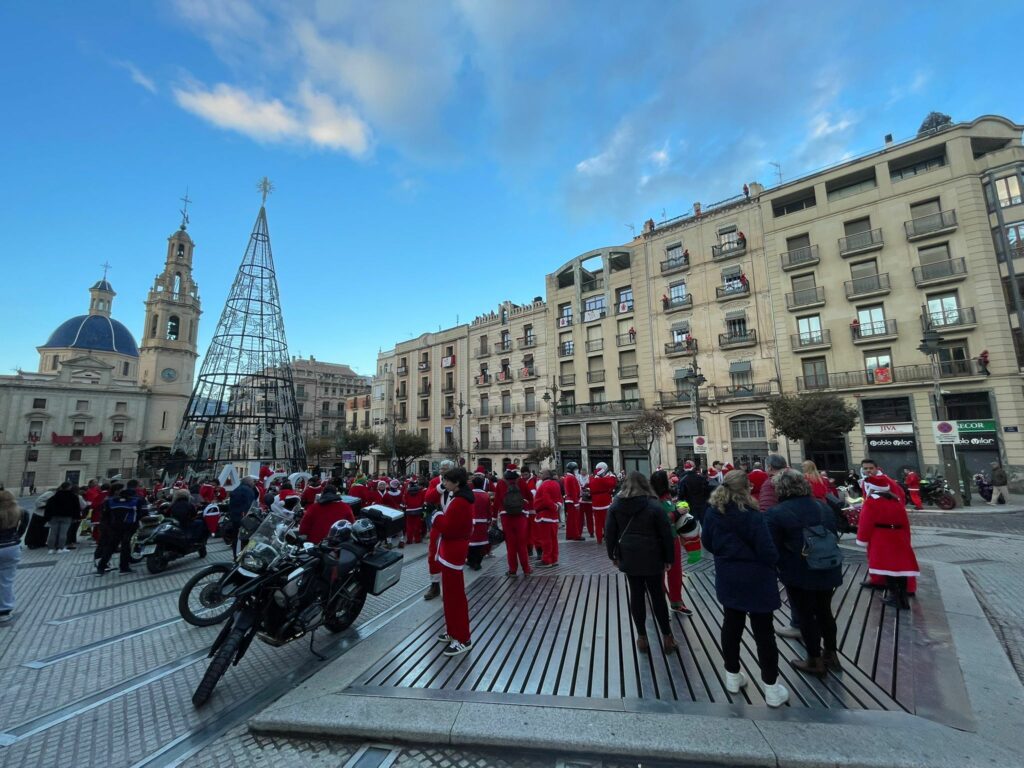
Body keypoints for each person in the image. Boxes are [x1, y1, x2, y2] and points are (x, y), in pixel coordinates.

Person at [701, 470, 789, 707]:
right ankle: (771, 688)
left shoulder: (712, 512)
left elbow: (707, 542)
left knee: (731, 626)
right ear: (745, 489)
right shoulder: (752, 515)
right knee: (764, 633)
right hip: (757, 577)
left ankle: (732, 676)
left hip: (728, 575)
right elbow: (767, 550)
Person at [767, 470, 843, 676]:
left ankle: (814, 660)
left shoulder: (776, 513)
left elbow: (772, 548)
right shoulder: (822, 507)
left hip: (800, 572)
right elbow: (833, 532)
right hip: (829, 566)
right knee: (825, 611)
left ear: (781, 489)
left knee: (806, 616)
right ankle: (831, 654)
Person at [605, 472, 677, 653]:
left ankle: (642, 637)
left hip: (629, 555)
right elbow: (666, 534)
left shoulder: (616, 505)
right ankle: (667, 637)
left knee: (636, 595)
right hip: (653, 555)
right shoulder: (654, 505)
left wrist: (612, 555)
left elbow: (610, 532)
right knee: (658, 596)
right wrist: (669, 558)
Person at [856, 476, 919, 609]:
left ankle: (895, 597)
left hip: (881, 538)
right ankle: (903, 598)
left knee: (887, 569)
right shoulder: (895, 501)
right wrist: (906, 538)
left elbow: (865, 523)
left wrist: (862, 539)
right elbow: (905, 522)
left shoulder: (871, 502)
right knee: (900, 569)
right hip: (899, 536)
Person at [434, 467, 474, 657]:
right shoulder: (460, 499)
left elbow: (449, 528)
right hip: (451, 551)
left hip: (452, 552)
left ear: (457, 483)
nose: (444, 483)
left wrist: (435, 517)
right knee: (449, 595)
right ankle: (452, 630)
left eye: (447, 480)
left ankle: (463, 637)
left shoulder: (459, 502)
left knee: (455, 596)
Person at [651, 470, 692, 616]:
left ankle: (676, 602)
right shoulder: (653, 500)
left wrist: (679, 509)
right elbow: (663, 519)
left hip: (673, 539)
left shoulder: (667, 497)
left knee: (676, 571)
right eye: (667, 479)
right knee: (660, 573)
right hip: (660, 541)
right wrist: (677, 513)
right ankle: (659, 605)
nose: (670, 481)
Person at [423, 459, 456, 600]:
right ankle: (435, 584)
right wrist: (441, 486)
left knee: (451, 554)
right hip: (438, 521)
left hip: (453, 521)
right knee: (433, 553)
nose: (443, 471)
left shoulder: (457, 481)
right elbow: (428, 497)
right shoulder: (435, 481)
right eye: (442, 468)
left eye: (446, 468)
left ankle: (450, 587)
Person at [96, 483, 144, 574]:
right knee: (126, 546)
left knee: (111, 547)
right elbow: (141, 513)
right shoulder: (136, 501)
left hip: (114, 527)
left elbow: (105, 515)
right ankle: (124, 567)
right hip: (129, 527)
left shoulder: (110, 501)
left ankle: (101, 567)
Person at [495, 465, 531, 576]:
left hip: (506, 516)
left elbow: (496, 501)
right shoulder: (521, 482)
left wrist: (492, 517)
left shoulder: (501, 483)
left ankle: (512, 570)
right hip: (521, 515)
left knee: (510, 545)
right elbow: (530, 497)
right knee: (522, 544)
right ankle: (526, 570)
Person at [0, 491, 26, 622]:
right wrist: (16, 538)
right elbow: (24, 526)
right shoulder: (19, 511)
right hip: (12, 547)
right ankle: (4, 610)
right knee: (6, 580)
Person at [534, 469, 562, 568]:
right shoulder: (555, 484)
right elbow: (559, 499)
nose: (539, 474)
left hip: (544, 515)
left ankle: (547, 560)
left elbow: (546, 500)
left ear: (545, 475)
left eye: (541, 473)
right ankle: (554, 559)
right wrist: (556, 507)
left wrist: (553, 507)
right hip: (553, 516)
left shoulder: (544, 485)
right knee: (553, 539)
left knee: (546, 540)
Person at [43, 482, 79, 554]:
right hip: (67, 517)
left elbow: (48, 507)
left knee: (53, 533)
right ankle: (60, 548)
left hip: (54, 516)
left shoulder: (54, 496)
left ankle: (51, 549)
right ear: (69, 487)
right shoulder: (73, 497)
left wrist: (47, 517)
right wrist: (76, 517)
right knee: (63, 533)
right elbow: (76, 508)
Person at [228, 477, 258, 556]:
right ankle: (245, 556)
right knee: (249, 538)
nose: (253, 483)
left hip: (235, 517)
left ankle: (236, 555)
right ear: (248, 482)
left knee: (236, 538)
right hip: (244, 518)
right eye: (252, 481)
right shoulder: (248, 490)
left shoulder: (237, 489)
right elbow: (250, 505)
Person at [589, 463, 617, 545]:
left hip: (595, 503)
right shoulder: (604, 480)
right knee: (606, 522)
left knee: (597, 523)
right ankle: (607, 537)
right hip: (605, 502)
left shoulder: (592, 480)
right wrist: (611, 475)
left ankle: (599, 539)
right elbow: (613, 482)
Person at [402, 478, 426, 546]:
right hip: (418, 510)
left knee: (409, 526)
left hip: (409, 510)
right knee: (417, 525)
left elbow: (404, 501)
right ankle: (417, 539)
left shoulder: (407, 492)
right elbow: (422, 500)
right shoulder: (420, 492)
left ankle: (409, 540)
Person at [563, 462, 583, 541]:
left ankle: (570, 534)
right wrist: (576, 502)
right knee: (575, 519)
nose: (577, 470)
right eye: (575, 469)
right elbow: (573, 491)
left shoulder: (567, 477)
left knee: (570, 519)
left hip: (570, 500)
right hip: (572, 500)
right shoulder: (571, 478)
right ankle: (576, 535)